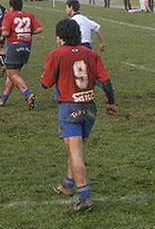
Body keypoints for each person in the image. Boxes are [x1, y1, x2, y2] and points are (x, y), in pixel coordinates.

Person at [40, 19, 117, 212]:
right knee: (75, 148)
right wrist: (111, 102)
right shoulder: (91, 54)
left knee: (75, 153)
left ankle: (84, 197)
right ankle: (67, 185)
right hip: (90, 108)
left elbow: (45, 83)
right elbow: (106, 82)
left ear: (60, 38)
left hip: (69, 108)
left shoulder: (56, 55)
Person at [0, 0, 42, 108]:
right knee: (12, 75)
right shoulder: (29, 15)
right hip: (26, 47)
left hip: (14, 46)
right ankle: (3, 99)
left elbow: (6, 32)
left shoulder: (9, 15)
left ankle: (28, 94)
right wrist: (26, 33)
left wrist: (3, 34)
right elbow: (39, 29)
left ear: (11, 6)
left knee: (12, 74)